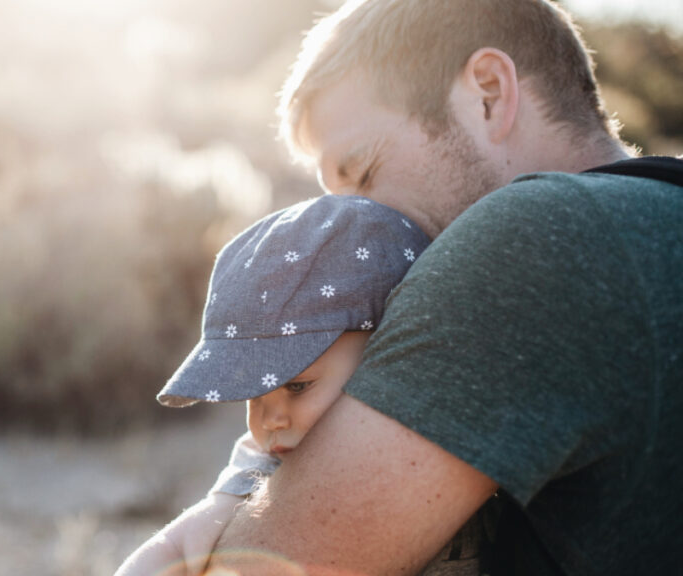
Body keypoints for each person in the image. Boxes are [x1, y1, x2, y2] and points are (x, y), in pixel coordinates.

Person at [201, 0, 683, 575]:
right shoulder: (656, 217)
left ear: (487, 92)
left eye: (364, 172)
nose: (354, 224)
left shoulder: (530, 237)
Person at [116, 194, 498, 576]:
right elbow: (178, 543)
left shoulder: (459, 415)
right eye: (253, 396)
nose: (271, 420)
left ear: (387, 348)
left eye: (297, 386)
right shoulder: (265, 462)